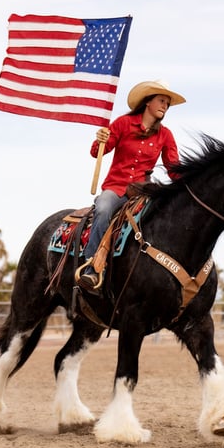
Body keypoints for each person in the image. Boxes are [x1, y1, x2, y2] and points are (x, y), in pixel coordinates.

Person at [78, 79, 186, 292]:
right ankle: (91, 266)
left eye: (167, 103)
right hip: (116, 187)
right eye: (161, 101)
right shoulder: (123, 124)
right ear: (148, 102)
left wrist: (187, 184)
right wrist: (100, 139)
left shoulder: (166, 135)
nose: (165, 106)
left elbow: (173, 168)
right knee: (103, 208)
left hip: (144, 191)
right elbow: (96, 152)